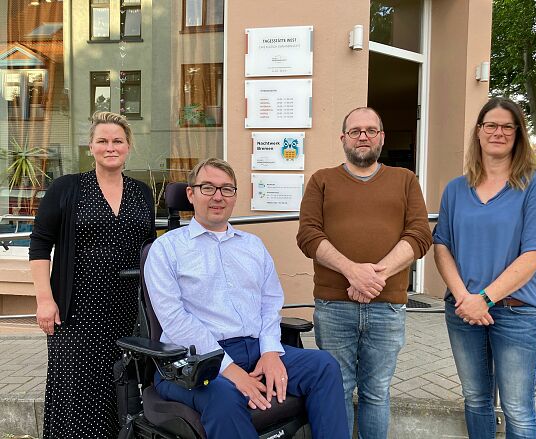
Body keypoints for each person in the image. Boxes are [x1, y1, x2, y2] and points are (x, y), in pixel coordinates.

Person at [144, 158, 349, 439]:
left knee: (324, 367)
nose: (218, 196)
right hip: (192, 361)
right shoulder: (165, 249)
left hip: (254, 348)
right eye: (208, 188)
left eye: (227, 189)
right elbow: (174, 319)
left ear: (235, 197)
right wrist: (229, 368)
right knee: (224, 396)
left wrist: (270, 352)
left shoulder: (252, 246)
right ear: (191, 194)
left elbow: (270, 302)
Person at [296, 107, 433, 438]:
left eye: (371, 130)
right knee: (337, 388)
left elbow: (420, 235)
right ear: (343, 138)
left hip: (387, 306)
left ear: (381, 138)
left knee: (376, 392)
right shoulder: (321, 180)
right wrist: (351, 271)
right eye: (355, 131)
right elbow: (308, 235)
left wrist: (373, 277)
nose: (363, 136)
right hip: (333, 307)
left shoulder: (405, 180)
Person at [433, 97, 536, 439]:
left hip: (519, 315)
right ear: (478, 132)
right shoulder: (456, 189)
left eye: (507, 126)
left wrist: (483, 299)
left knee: (518, 409)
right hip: (463, 312)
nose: (498, 132)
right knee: (475, 400)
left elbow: (534, 254)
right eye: (491, 125)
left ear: (518, 134)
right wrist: (464, 298)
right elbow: (441, 245)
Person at [29, 112, 156, 438]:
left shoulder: (141, 193)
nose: (110, 147)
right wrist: (45, 300)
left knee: (123, 392)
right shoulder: (67, 188)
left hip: (128, 311)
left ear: (128, 147)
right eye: (103, 140)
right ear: (91, 146)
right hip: (76, 313)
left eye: (117, 141)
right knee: (77, 393)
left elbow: (150, 250)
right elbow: (40, 244)